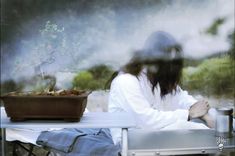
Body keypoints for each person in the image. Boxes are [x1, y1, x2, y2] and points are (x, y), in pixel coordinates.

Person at [107, 31, 215, 145]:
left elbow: (184, 99)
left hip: (153, 134)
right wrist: (188, 114)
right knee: (188, 128)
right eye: (168, 60)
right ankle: (220, 145)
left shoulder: (158, 79)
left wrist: (205, 115)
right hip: (130, 140)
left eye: (174, 61)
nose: (171, 67)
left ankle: (220, 143)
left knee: (208, 123)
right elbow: (146, 120)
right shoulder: (126, 81)